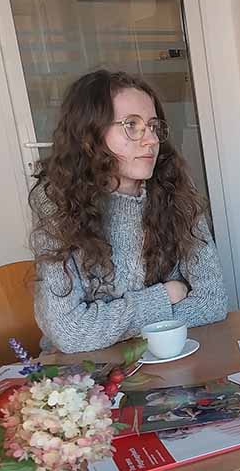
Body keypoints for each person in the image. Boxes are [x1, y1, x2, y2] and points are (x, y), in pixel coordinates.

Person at [30, 70, 227, 354]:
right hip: (85, 373)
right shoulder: (57, 203)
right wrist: (165, 295)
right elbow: (70, 333)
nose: (150, 140)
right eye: (131, 125)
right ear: (89, 137)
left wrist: (107, 322)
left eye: (153, 126)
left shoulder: (178, 191)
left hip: (165, 358)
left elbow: (213, 302)